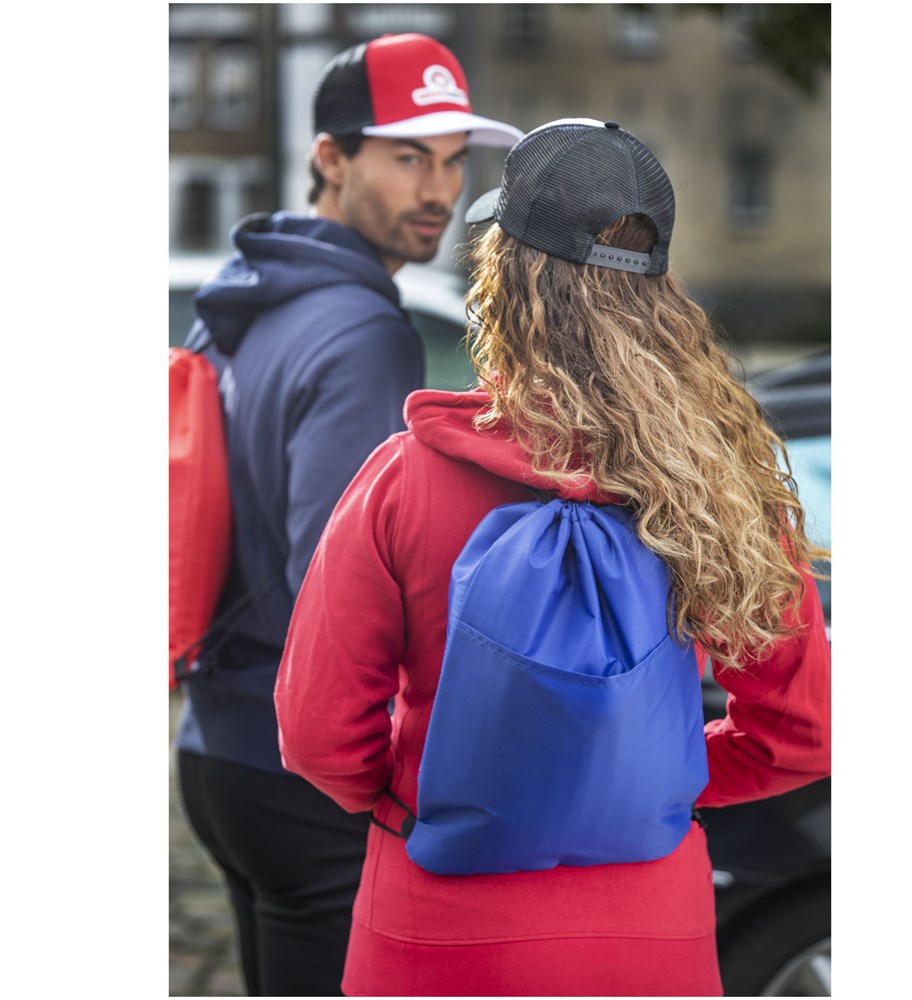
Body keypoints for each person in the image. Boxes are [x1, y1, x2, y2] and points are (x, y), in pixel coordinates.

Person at [274, 119, 832, 996]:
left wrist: (442, 792)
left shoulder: (402, 479)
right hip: (652, 938)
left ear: (501, 280)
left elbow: (316, 734)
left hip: (438, 926)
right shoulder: (723, 487)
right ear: (659, 294)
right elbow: (802, 734)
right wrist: (638, 782)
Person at [173, 33, 522, 998]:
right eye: (408, 158)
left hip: (219, 749)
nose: (439, 191)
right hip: (301, 773)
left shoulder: (243, 300)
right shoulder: (364, 329)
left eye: (452, 161)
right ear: (330, 157)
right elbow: (334, 587)